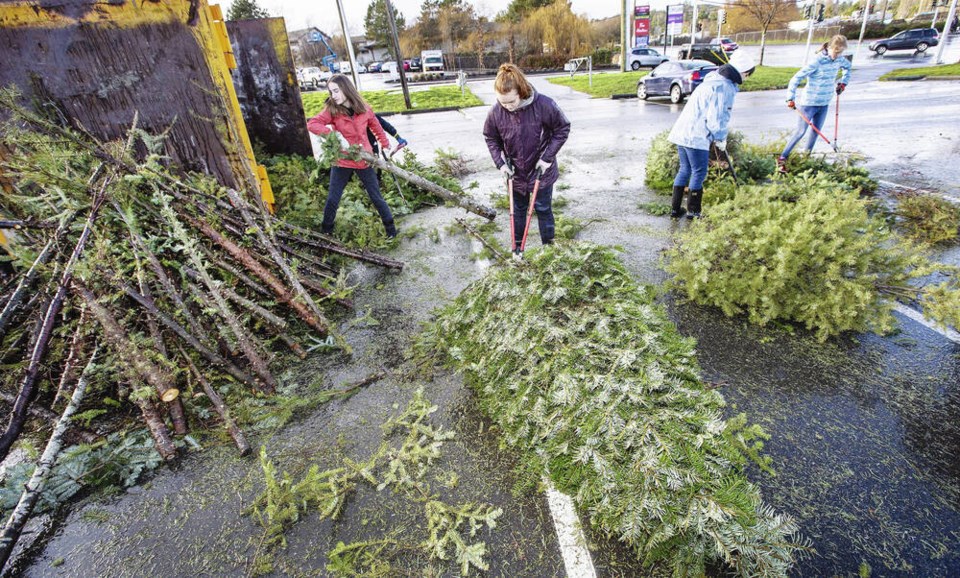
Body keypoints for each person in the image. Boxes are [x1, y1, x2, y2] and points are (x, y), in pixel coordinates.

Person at [483, 63, 571, 256]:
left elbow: (562, 128)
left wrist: (547, 158)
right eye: (502, 102)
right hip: (515, 173)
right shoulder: (496, 112)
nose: (506, 107)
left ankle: (549, 251)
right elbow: (491, 137)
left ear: (521, 92)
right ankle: (517, 250)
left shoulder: (544, 105)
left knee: (543, 209)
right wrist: (501, 164)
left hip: (541, 170)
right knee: (518, 210)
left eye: (510, 102)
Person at [667, 50, 756, 219]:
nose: (747, 78)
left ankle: (675, 209)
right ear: (743, 73)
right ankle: (693, 212)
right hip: (696, 135)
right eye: (748, 75)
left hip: (682, 132)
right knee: (699, 172)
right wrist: (720, 137)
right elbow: (717, 118)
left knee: (685, 169)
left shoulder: (712, 80)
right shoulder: (724, 88)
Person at [306, 74, 397, 238]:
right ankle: (326, 233)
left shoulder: (363, 107)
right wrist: (336, 136)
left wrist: (385, 143)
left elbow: (376, 125)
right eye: (331, 92)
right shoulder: (332, 109)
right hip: (342, 160)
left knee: (376, 197)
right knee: (333, 199)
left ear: (346, 89)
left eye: (336, 91)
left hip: (364, 159)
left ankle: (391, 231)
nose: (333, 96)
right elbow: (312, 124)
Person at [777, 35, 852, 174]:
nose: (837, 55)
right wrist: (790, 98)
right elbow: (796, 78)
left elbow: (848, 68)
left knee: (815, 133)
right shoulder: (817, 61)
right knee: (800, 132)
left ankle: (806, 159)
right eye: (835, 52)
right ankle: (782, 159)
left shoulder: (840, 60)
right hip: (809, 103)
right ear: (829, 48)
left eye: (840, 52)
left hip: (824, 103)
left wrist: (843, 83)